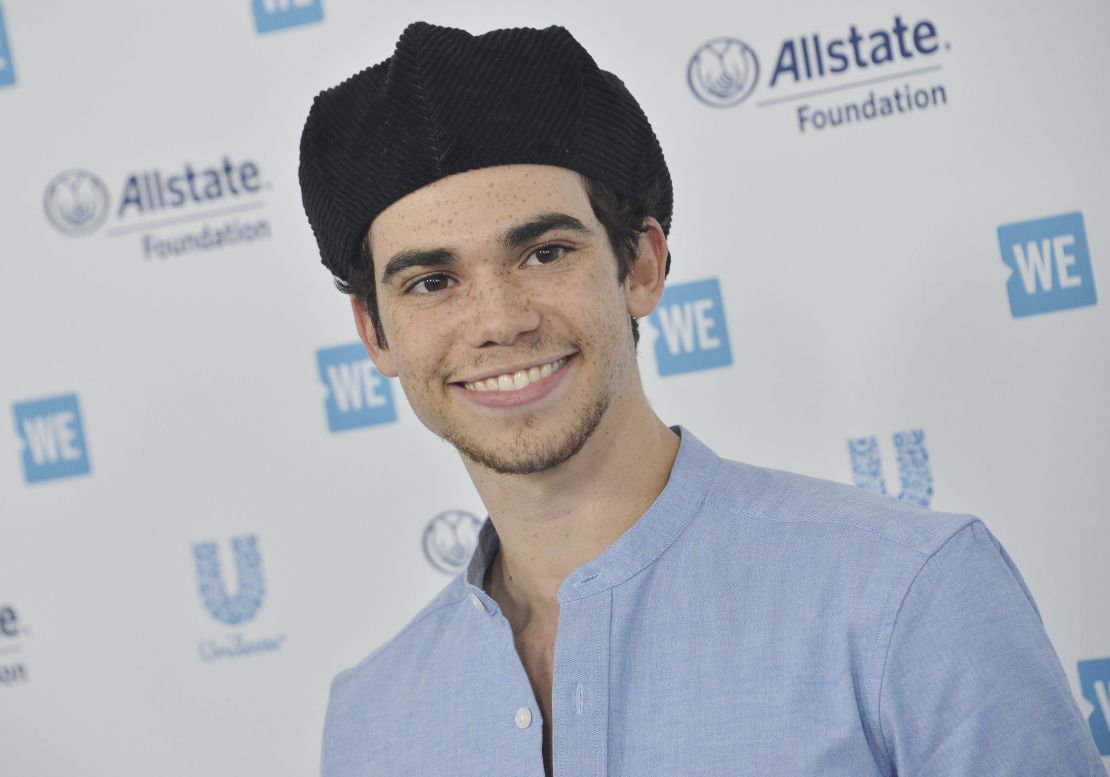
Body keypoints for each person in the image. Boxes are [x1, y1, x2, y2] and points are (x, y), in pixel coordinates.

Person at [298, 21, 1106, 777]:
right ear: (376, 333)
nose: (499, 321)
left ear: (641, 267)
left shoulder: (909, 594)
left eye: (544, 252)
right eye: (432, 281)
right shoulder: (371, 722)